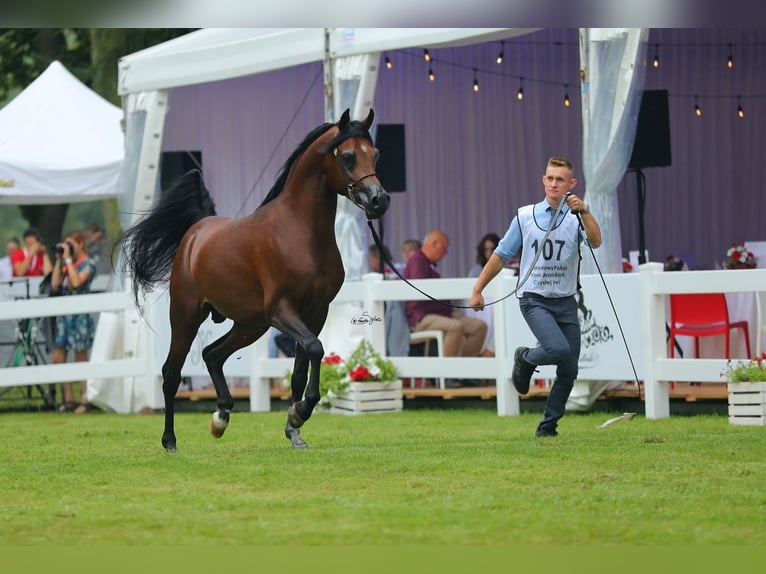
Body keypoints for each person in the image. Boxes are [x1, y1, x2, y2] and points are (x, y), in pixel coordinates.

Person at [470, 157, 602, 437]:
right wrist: (478, 289)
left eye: (560, 179)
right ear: (544, 180)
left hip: (566, 301)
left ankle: (547, 427)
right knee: (559, 350)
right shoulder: (525, 216)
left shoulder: (576, 216)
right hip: (534, 299)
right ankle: (526, 358)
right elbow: (501, 255)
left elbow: (595, 241)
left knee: (569, 368)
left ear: (571, 184)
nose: (554, 184)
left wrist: (586, 211)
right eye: (550, 178)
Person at [404, 229, 487, 387]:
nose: (446, 252)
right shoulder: (417, 260)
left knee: (479, 327)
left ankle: (465, 372)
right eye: (444, 247)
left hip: (443, 313)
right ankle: (448, 375)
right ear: (434, 244)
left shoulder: (429, 263)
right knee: (455, 327)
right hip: (422, 316)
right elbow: (420, 294)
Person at [50, 230, 98, 413]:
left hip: (79, 316)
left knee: (80, 358)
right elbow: (55, 284)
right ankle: (68, 399)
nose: (68, 248)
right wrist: (58, 260)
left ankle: (84, 400)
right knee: (58, 357)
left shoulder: (88, 263)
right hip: (64, 316)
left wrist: (69, 260)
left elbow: (77, 282)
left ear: (80, 244)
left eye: (71, 244)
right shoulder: (65, 263)